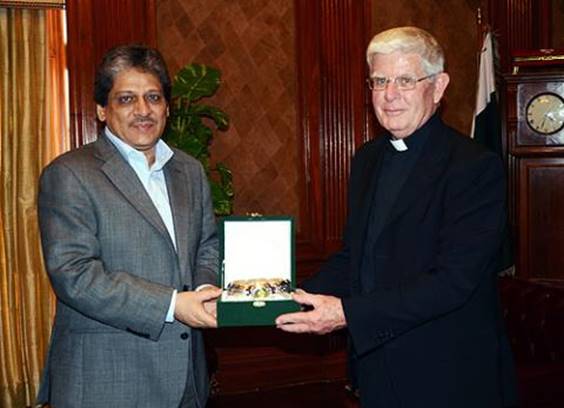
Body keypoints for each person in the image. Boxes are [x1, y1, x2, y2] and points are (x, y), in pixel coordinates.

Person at [276, 27, 518, 407]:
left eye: (405, 80)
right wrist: (285, 296)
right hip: (375, 368)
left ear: (438, 88)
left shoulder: (474, 166)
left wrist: (348, 314)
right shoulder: (366, 160)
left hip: (448, 374)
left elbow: (453, 282)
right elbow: (353, 256)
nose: (390, 95)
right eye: (380, 81)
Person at [37, 44, 221, 407]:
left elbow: (207, 245)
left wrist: (204, 288)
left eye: (153, 97)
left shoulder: (190, 171)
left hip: (186, 379)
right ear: (102, 110)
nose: (143, 110)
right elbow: (75, 275)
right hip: (107, 380)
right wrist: (173, 305)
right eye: (126, 99)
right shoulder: (70, 174)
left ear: (167, 106)